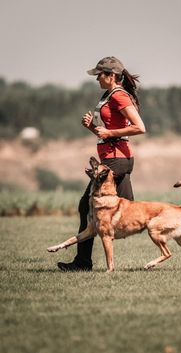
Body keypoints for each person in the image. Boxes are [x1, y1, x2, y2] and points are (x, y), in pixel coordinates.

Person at [58, 56, 146, 271]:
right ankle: (173, 225)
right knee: (129, 206)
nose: (97, 78)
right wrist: (91, 127)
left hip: (117, 160)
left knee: (85, 206)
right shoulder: (107, 95)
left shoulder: (119, 96)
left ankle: (82, 263)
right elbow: (105, 134)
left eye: (100, 74)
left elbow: (139, 127)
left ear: (112, 76)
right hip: (114, 158)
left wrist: (109, 132)